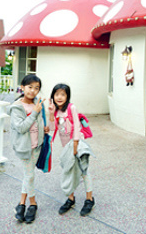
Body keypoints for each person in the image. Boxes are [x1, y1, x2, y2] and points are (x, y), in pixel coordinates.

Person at [48, 83, 95, 217]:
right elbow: (52, 127)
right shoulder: (56, 110)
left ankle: (89, 199)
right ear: (53, 96)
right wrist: (51, 113)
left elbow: (77, 127)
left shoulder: (71, 107)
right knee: (68, 171)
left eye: (63, 94)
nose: (59, 97)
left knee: (84, 171)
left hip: (77, 144)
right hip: (66, 146)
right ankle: (71, 199)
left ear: (67, 96)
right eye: (57, 94)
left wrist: (75, 145)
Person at [9, 74, 46, 223]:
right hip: (25, 148)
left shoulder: (37, 102)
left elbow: (37, 123)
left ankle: (22, 203)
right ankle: (33, 204)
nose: (33, 91)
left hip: (36, 146)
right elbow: (22, 128)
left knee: (28, 175)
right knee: (29, 176)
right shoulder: (17, 107)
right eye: (30, 87)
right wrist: (36, 112)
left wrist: (44, 128)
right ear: (22, 87)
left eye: (36, 88)